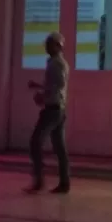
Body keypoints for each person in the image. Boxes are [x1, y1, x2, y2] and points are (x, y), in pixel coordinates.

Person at [26, 31, 70, 194]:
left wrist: (42, 96)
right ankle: (64, 182)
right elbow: (54, 84)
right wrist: (38, 86)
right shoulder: (57, 63)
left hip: (52, 110)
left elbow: (57, 86)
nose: (46, 46)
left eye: (49, 44)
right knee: (59, 148)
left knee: (35, 143)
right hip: (58, 109)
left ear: (57, 46)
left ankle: (39, 181)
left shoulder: (56, 64)